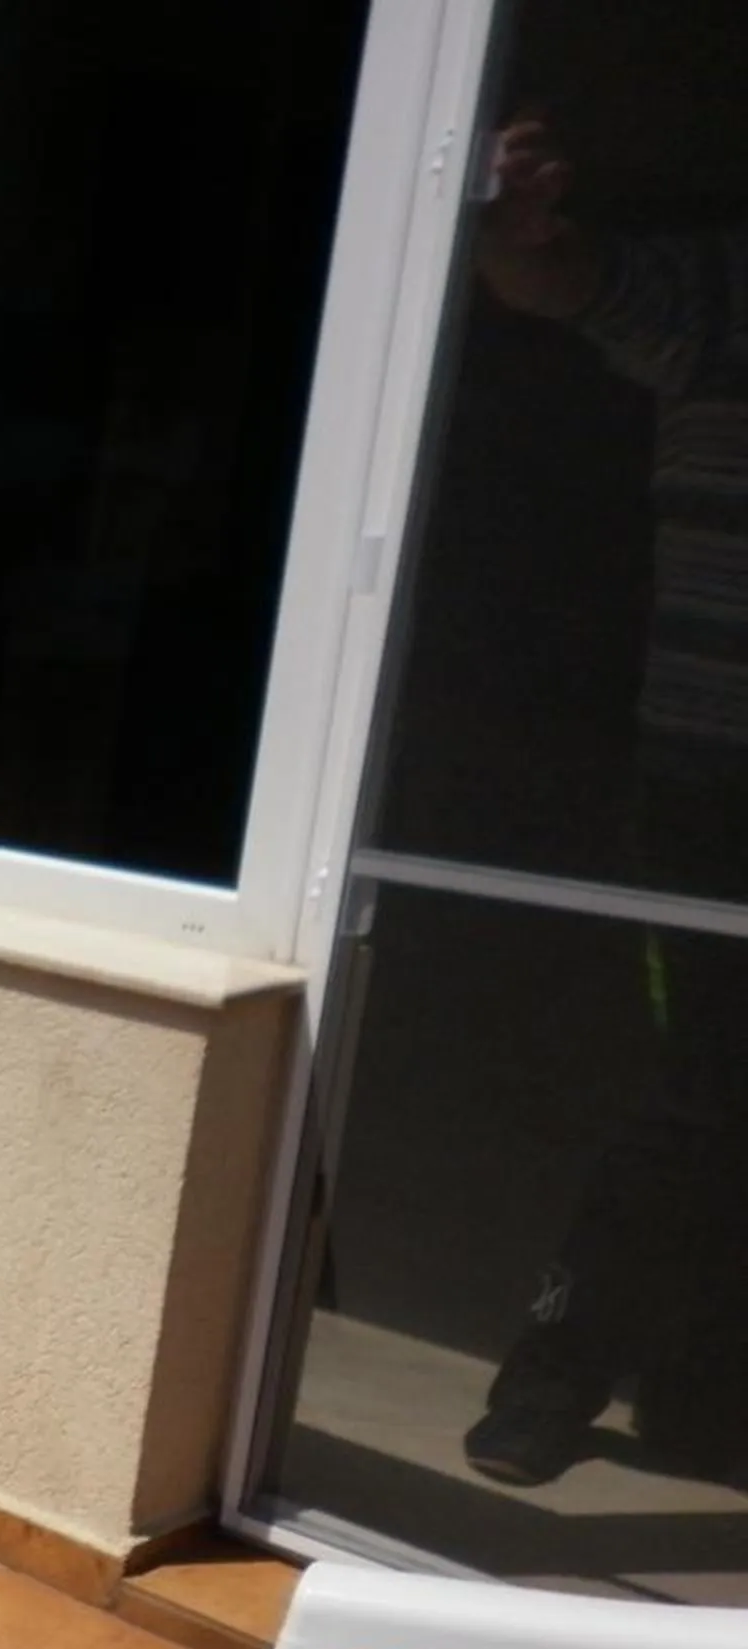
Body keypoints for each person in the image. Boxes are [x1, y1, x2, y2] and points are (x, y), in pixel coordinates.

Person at [462, 117, 748, 1487]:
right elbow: (564, 280)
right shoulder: (727, 295)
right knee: (705, 1092)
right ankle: (554, 1376)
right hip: (718, 786)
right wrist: (515, 233)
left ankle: (705, 1401)